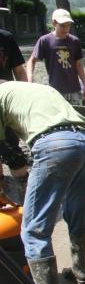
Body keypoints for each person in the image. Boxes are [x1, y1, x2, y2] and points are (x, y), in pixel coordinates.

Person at [0, 81, 85, 284]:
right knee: (75, 211)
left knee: (33, 231)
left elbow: (4, 145)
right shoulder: (35, 89)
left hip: (55, 146)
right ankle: (80, 273)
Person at [26, 9, 85, 105]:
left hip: (74, 90)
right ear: (54, 23)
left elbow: (78, 65)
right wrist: (30, 79)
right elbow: (31, 61)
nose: (66, 29)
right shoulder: (45, 41)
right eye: (63, 26)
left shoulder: (74, 41)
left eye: (68, 25)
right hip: (55, 91)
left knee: (76, 118)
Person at [0, 15, 30, 202]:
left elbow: (19, 71)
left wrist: (24, 98)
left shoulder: (6, 38)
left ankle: (26, 196)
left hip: (6, 104)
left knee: (12, 149)